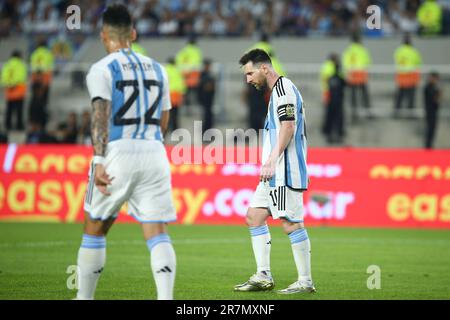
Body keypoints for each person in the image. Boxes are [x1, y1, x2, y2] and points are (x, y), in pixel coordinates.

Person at [74, 4, 177, 300]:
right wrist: (152, 143)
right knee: (157, 230)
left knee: (95, 226)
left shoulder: (102, 69)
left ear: (104, 35)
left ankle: (84, 298)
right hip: (154, 151)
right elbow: (165, 117)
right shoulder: (159, 68)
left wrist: (98, 161)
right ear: (132, 33)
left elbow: (99, 114)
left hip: (117, 152)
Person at [235, 49, 315, 294]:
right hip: (273, 173)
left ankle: (305, 281)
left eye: (250, 73)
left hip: (284, 171)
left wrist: (271, 159)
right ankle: (263, 276)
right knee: (254, 217)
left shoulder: (283, 89)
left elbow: (289, 126)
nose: (248, 79)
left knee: (290, 223)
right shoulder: (275, 93)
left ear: (264, 69)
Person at [342, 33, 372, 121]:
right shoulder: (362, 49)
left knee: (353, 96)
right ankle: (368, 112)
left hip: (352, 75)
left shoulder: (348, 50)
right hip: (361, 75)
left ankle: (354, 114)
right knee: (365, 95)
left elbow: (345, 63)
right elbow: (367, 62)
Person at [394, 33, 422, 117]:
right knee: (411, 97)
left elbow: (397, 60)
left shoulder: (399, 51)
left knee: (400, 96)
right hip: (411, 77)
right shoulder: (414, 51)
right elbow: (418, 63)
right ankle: (410, 114)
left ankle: (396, 112)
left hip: (401, 76)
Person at [1, 50, 27, 131]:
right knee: (19, 110)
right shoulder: (20, 64)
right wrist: (15, 84)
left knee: (9, 109)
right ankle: (19, 126)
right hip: (19, 90)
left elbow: (3, 77)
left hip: (9, 90)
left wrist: (8, 85)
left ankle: (8, 125)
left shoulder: (7, 64)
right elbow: (22, 77)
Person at [323, 55, 346, 144]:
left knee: (330, 116)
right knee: (337, 117)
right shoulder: (339, 76)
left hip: (331, 97)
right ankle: (338, 134)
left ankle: (329, 134)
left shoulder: (328, 73)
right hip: (337, 98)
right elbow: (345, 83)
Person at [175, 35, 202, 108]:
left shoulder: (185, 50)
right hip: (195, 74)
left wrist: (184, 69)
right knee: (195, 91)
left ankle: (187, 104)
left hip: (187, 74)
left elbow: (178, 61)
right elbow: (199, 63)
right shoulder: (197, 51)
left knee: (187, 91)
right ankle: (195, 104)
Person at [30, 39, 54, 113]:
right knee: (44, 100)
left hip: (35, 79)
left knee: (35, 99)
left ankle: (34, 114)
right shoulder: (48, 54)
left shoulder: (34, 54)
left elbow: (32, 67)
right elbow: (50, 67)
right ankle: (42, 116)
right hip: (45, 79)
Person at [165, 56, 186, 132]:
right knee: (175, 112)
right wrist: (183, 93)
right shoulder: (178, 70)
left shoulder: (165, 70)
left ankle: (168, 127)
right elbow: (182, 83)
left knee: (168, 112)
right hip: (177, 94)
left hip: (168, 93)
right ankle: (175, 128)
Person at [197, 58, 216, 134]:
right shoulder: (203, 75)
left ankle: (209, 132)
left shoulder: (209, 74)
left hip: (209, 100)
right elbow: (203, 87)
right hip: (205, 100)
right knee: (206, 117)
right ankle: (205, 133)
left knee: (209, 117)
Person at [423, 72, 441, 149]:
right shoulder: (428, 87)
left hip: (434, 111)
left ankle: (429, 146)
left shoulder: (434, 87)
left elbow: (437, 101)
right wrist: (438, 93)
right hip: (429, 111)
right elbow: (434, 99)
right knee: (429, 129)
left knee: (432, 129)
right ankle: (428, 146)